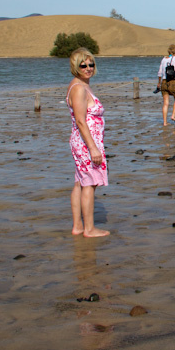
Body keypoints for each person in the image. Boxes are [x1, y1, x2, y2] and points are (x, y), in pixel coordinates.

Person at [66, 48, 110, 238]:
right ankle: (89, 229)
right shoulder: (78, 88)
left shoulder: (82, 85)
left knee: (80, 182)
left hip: (85, 141)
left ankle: (78, 226)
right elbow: (80, 120)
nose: (88, 68)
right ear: (75, 66)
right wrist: (93, 148)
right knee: (89, 184)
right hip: (86, 143)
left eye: (91, 64)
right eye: (83, 65)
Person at [158, 44, 175, 125]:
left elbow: (160, 72)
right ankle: (173, 115)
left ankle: (165, 122)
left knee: (165, 103)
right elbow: (174, 69)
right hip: (172, 81)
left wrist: (158, 83)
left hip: (164, 81)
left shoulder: (163, 59)